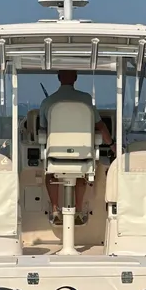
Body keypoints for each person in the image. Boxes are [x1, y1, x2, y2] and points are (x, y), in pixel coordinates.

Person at [40, 70, 113, 226]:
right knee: (82, 172)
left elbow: (43, 131)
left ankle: (54, 209)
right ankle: (79, 209)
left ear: (58, 78)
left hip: (55, 158)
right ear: (76, 78)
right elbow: (100, 125)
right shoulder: (85, 100)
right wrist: (112, 145)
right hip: (83, 157)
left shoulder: (48, 102)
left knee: (50, 173)